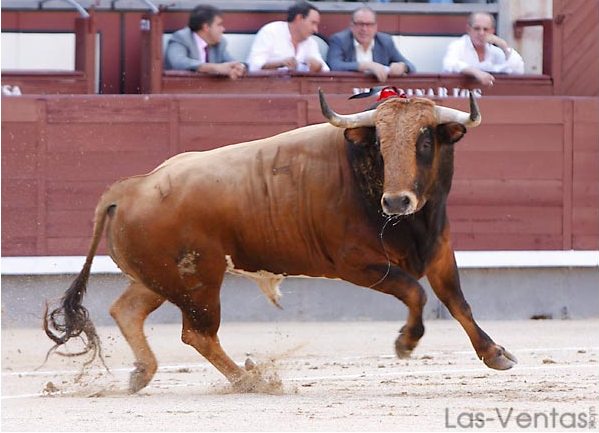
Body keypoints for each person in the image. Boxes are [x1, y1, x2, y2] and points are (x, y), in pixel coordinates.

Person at [326, 6, 416, 82]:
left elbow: (411, 66)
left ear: (376, 27)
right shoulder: (339, 40)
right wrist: (366, 65)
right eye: (360, 24)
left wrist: (403, 67)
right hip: (348, 91)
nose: (364, 29)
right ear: (351, 26)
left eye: (369, 24)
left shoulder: (385, 41)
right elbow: (334, 65)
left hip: (378, 91)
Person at [164, 5, 246, 80]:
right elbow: (178, 62)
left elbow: (230, 62)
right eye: (219, 25)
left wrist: (238, 67)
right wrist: (213, 68)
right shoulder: (181, 37)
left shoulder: (220, 42)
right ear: (206, 27)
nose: (223, 29)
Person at [443, 12, 524, 86]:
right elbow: (450, 64)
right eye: (477, 28)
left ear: (492, 31)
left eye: (486, 29)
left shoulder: (495, 51)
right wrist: (477, 73)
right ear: (468, 29)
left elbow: (518, 70)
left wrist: (504, 46)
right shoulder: (458, 45)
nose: (481, 33)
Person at [247, 1, 329, 73]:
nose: (316, 30)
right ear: (299, 18)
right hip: (268, 87)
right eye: (313, 23)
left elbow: (326, 72)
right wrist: (280, 63)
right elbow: (253, 66)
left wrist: (318, 67)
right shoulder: (271, 31)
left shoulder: (311, 42)